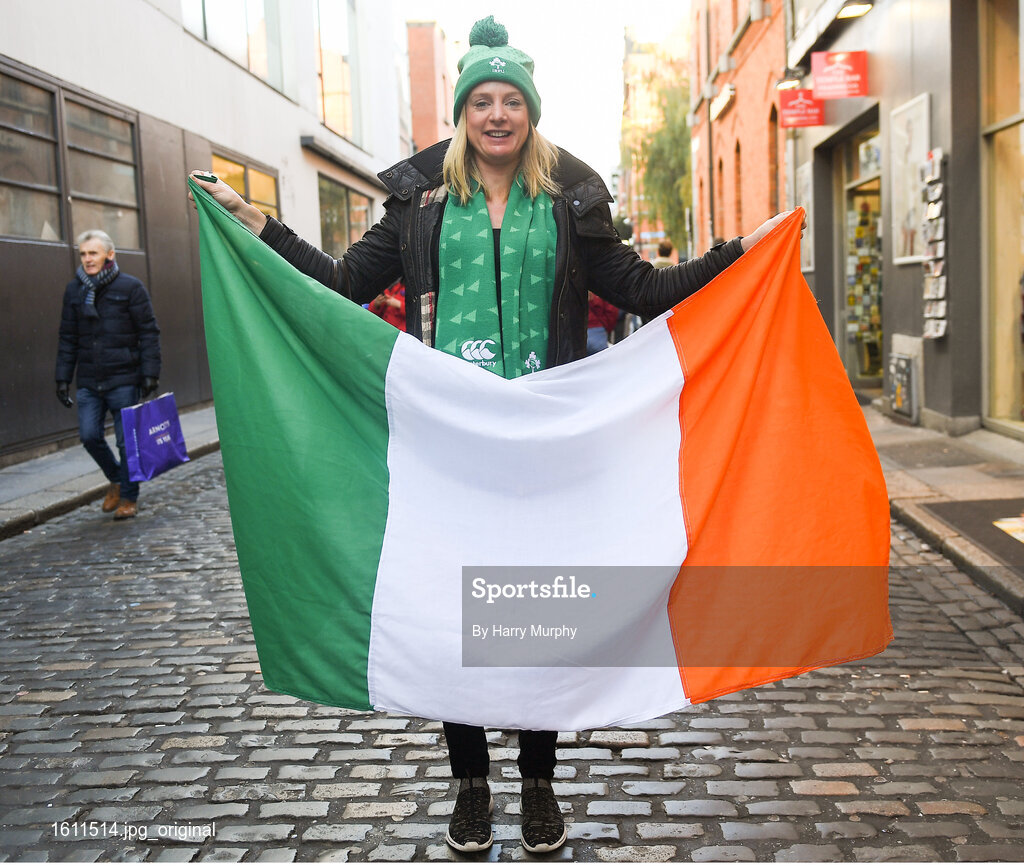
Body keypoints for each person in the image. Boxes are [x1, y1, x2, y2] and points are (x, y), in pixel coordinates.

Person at [190, 14, 792, 854]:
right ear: (464, 113)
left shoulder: (571, 200)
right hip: (448, 442)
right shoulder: (418, 204)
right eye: (483, 101)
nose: (498, 115)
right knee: (455, 620)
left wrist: (741, 253)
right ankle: (470, 786)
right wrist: (257, 224)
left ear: (531, 113)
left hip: (549, 443)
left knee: (538, 619)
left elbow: (645, 291)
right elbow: (343, 283)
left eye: (512, 101)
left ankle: (538, 788)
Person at [55, 229, 161, 520]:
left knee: (127, 442)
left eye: (93, 253)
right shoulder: (74, 290)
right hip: (89, 378)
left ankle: (128, 497)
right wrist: (62, 378)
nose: (87, 259)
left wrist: (150, 372)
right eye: (83, 254)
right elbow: (68, 337)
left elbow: (148, 332)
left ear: (109, 255)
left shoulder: (131, 288)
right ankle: (116, 477)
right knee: (89, 436)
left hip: (124, 377)